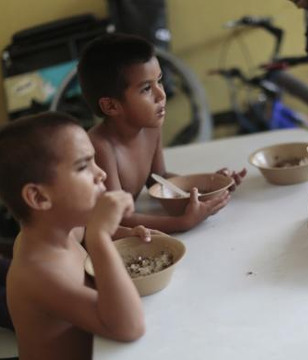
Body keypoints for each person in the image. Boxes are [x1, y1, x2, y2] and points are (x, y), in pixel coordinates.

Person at [0, 112, 147, 359]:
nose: (101, 174)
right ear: (39, 197)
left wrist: (124, 233)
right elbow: (130, 327)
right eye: (82, 166)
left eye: (95, 161)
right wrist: (100, 238)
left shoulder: (60, 230)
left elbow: (87, 230)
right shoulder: (39, 272)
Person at [77, 33, 246, 234]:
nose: (161, 95)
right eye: (147, 88)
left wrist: (209, 187)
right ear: (111, 105)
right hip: (86, 238)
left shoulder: (150, 128)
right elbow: (118, 215)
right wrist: (182, 223)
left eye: (159, 80)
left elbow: (159, 179)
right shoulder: (100, 146)